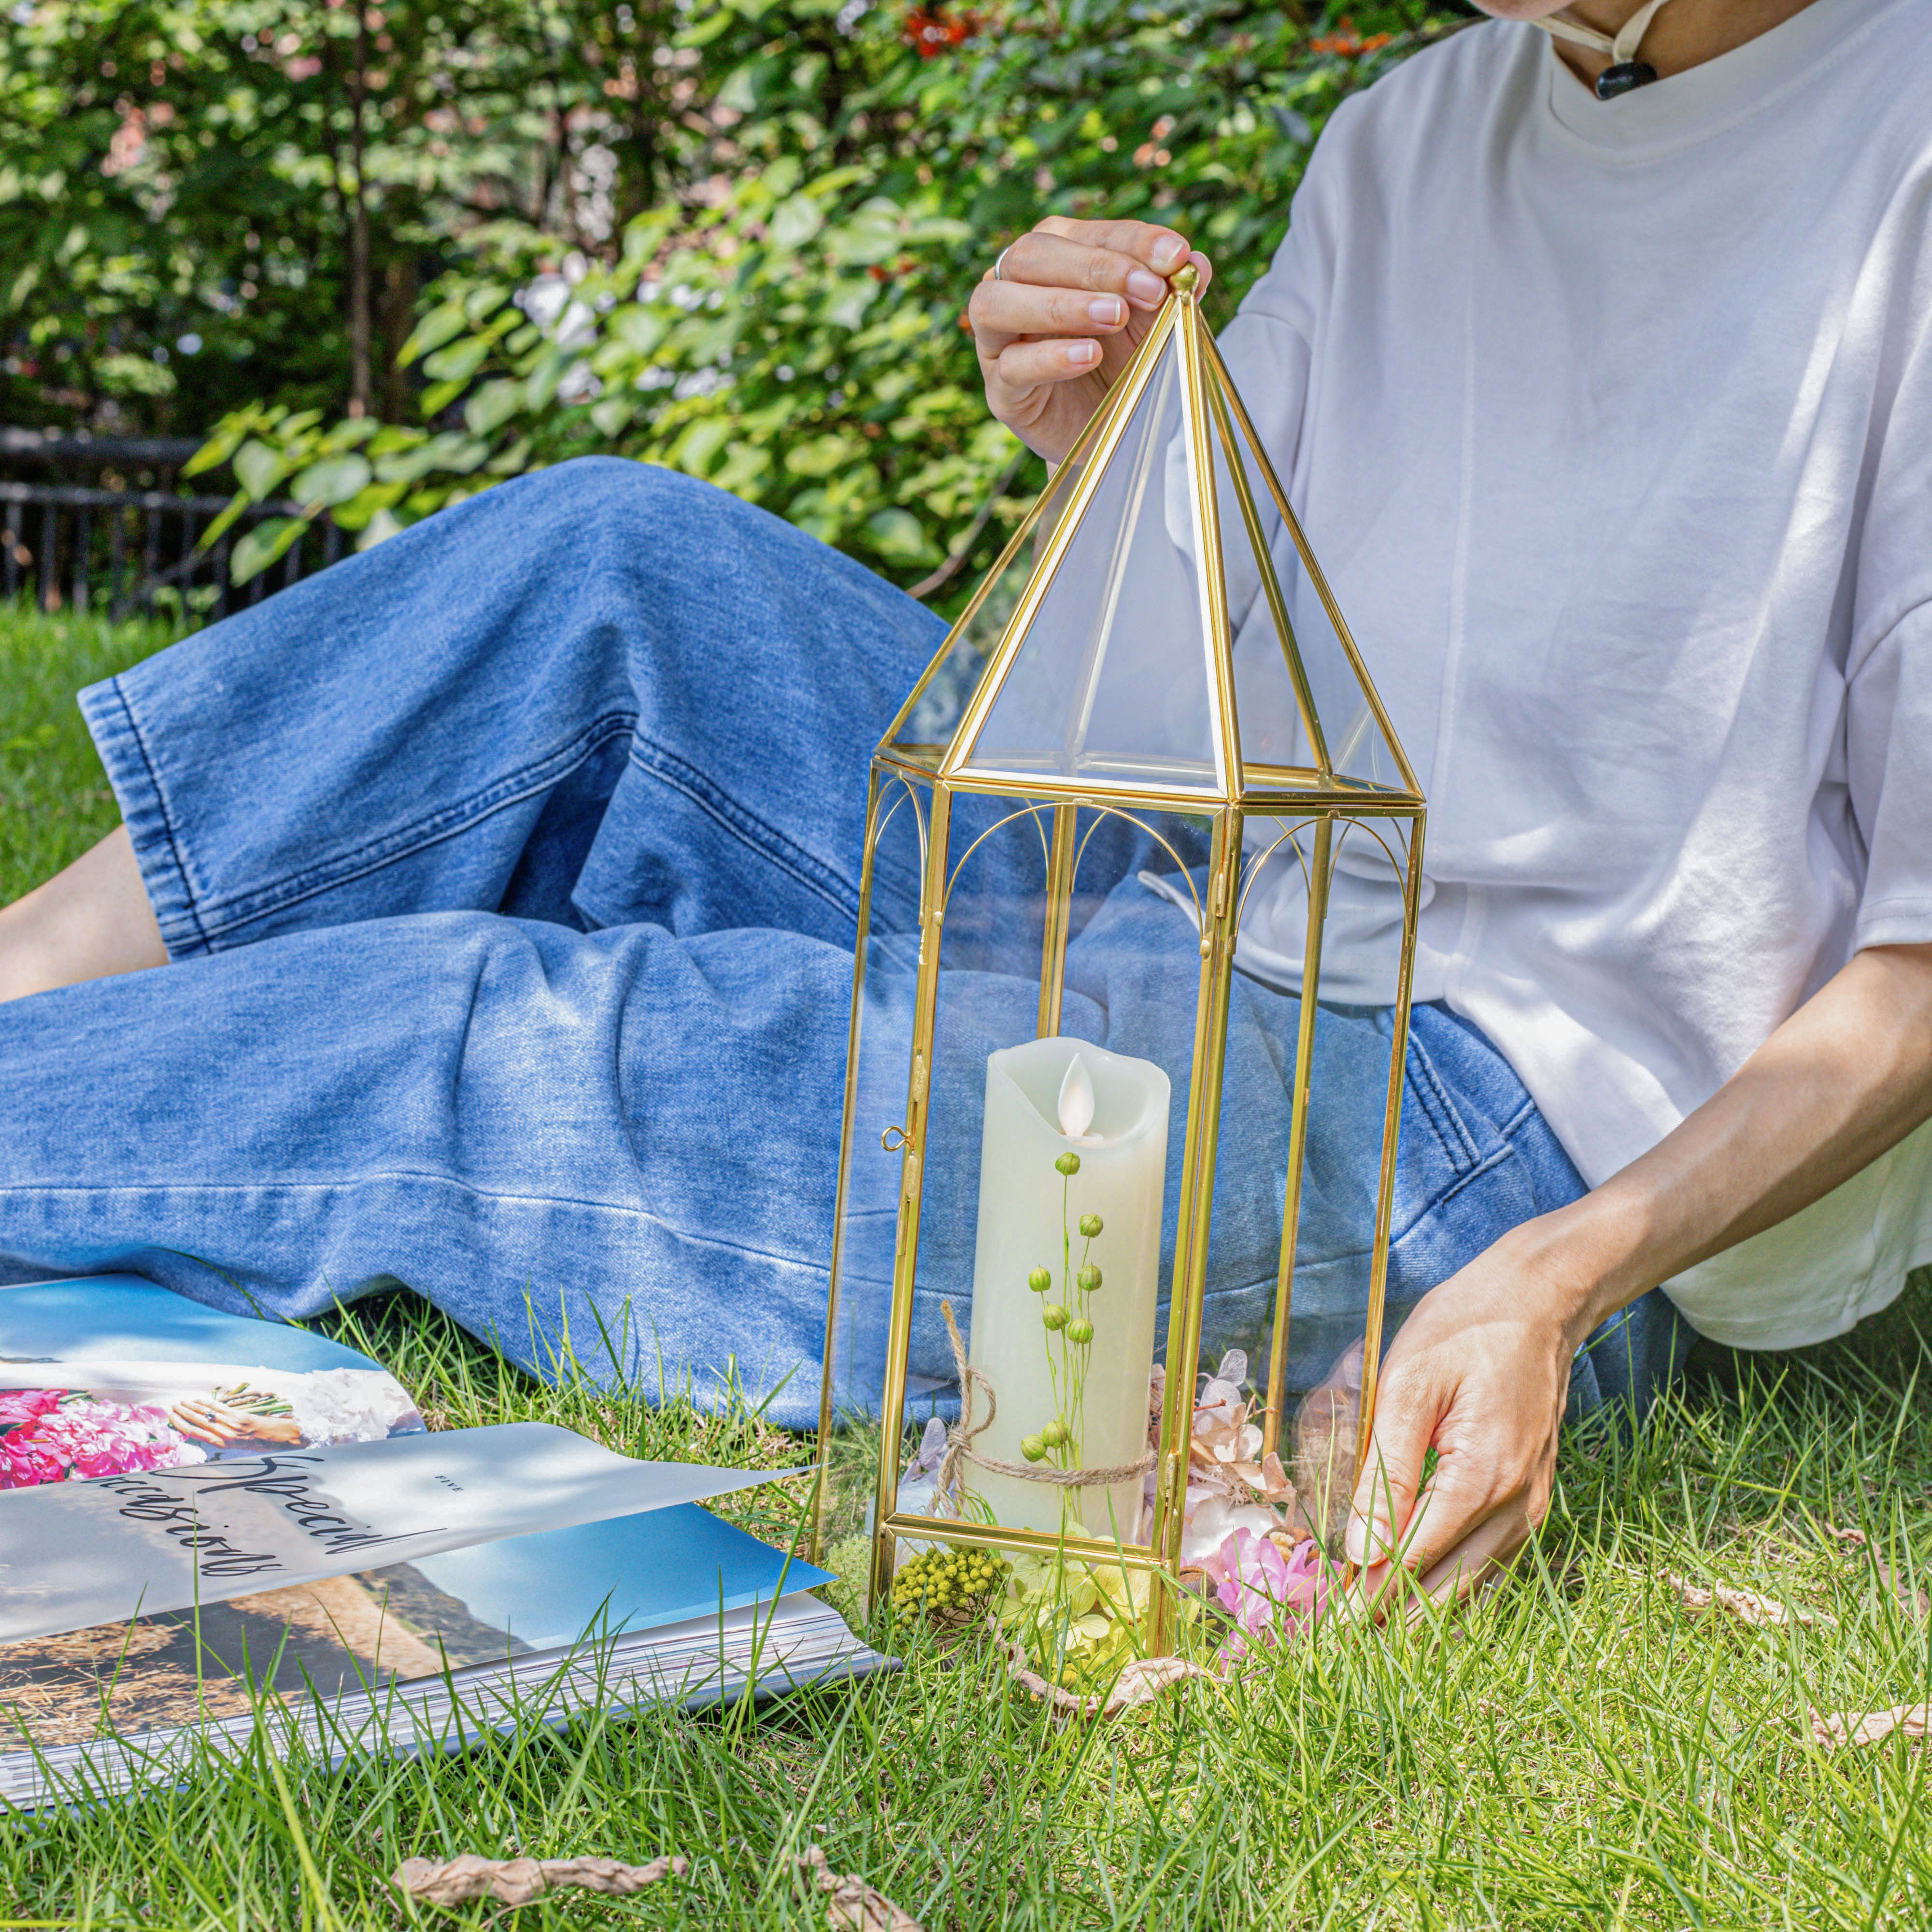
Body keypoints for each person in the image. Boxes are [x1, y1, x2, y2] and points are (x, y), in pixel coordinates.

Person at [4, 0, 1930, 1604]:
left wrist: (1555, 1279)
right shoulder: (1416, 131)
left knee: (502, 1041)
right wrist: (1105, 452)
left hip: (1514, 1120)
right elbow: (1201, 699)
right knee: (610, 561)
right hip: (1198, 892)